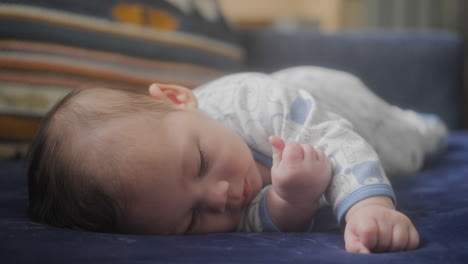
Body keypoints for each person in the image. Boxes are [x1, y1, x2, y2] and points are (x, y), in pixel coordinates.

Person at [27, 66, 447, 254]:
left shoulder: (252, 101)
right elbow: (255, 219)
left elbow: (333, 139)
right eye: (192, 218)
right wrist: (288, 201)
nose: (222, 197)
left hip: (329, 99)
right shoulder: (209, 195)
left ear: (179, 100)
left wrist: (368, 207)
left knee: (409, 147)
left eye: (200, 161)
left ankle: (426, 125)